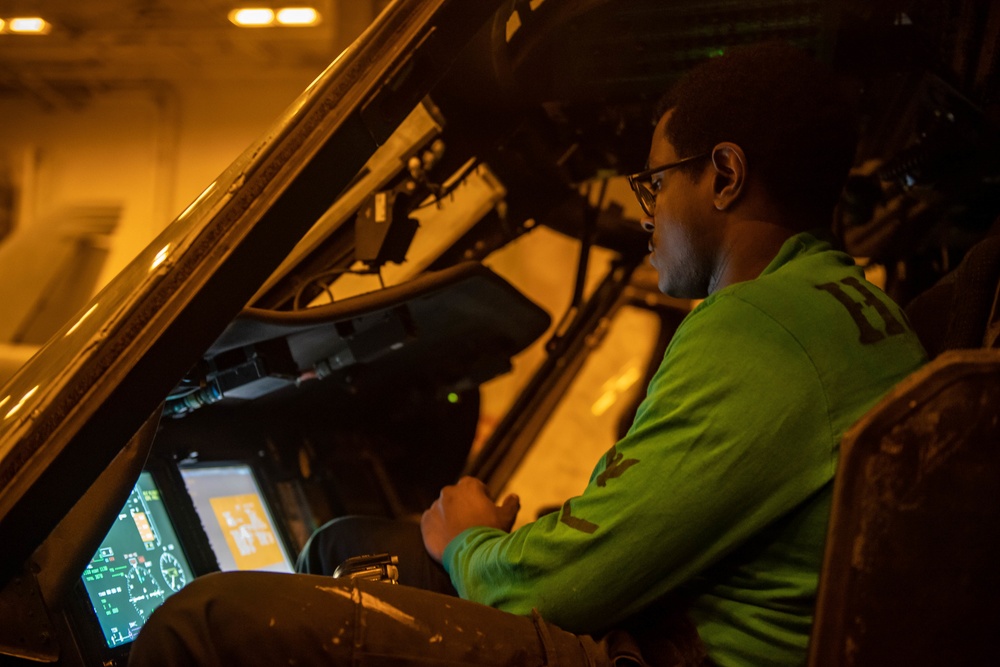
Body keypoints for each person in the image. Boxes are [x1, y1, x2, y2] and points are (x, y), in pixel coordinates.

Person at [128, 42, 928, 667]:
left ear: (723, 175)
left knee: (206, 621)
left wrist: (472, 540)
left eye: (653, 185)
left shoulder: (757, 325)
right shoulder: (853, 310)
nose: (646, 217)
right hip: (693, 632)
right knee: (342, 547)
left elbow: (559, 588)